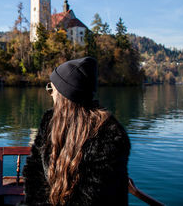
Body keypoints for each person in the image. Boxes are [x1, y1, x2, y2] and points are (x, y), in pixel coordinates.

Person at [22, 57, 131, 206]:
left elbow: (94, 197)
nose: (50, 94)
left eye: (50, 89)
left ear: (64, 95)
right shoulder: (49, 121)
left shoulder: (109, 135)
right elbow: (35, 175)